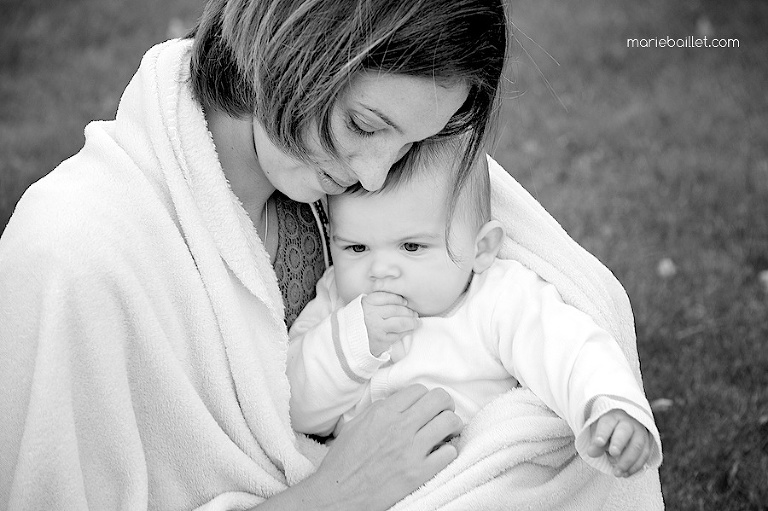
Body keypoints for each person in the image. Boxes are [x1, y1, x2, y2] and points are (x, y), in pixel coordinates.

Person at [0, 1, 508, 509]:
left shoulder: (347, 169)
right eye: (363, 125)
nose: (375, 179)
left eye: (407, 146)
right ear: (288, 44)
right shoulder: (69, 259)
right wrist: (339, 492)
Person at [286, 138, 663, 479]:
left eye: (412, 247)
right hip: (365, 488)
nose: (380, 270)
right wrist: (354, 339)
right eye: (356, 248)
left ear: (481, 249)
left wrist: (609, 405)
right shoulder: (337, 301)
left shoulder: (497, 297)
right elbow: (294, 407)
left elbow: (566, 347)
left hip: (472, 482)